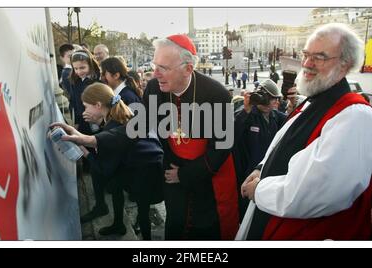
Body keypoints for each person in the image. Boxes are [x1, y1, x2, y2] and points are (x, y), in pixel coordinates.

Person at [238, 23, 372, 240]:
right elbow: (285, 146)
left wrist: (259, 191)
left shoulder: (356, 116)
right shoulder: (312, 101)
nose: (307, 63)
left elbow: (319, 192)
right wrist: (261, 168)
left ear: (346, 64)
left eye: (320, 57)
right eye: (306, 54)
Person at [144, 34, 239, 240]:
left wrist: (186, 174)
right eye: (155, 64)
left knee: (205, 227)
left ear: (188, 69)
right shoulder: (153, 88)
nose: (155, 73)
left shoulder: (217, 94)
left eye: (164, 68)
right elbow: (139, 126)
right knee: (176, 223)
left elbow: (222, 147)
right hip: (172, 169)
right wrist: (96, 140)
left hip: (207, 173)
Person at [51, 82, 163, 240]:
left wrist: (82, 149)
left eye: (86, 106)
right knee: (121, 192)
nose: (84, 110)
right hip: (144, 169)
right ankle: (119, 224)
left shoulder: (113, 123)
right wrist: (81, 136)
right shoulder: (123, 112)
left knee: (143, 213)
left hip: (145, 175)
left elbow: (104, 169)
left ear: (97, 105)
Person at [233, 80, 287, 221]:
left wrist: (293, 104)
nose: (276, 103)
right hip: (246, 177)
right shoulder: (246, 115)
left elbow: (294, 124)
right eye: (273, 99)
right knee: (245, 218)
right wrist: (246, 110)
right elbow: (231, 134)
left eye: (277, 99)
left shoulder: (276, 117)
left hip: (267, 176)